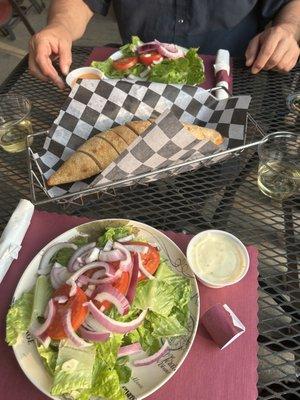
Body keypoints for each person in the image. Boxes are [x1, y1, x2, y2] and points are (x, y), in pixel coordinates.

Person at [29, 0, 300, 89]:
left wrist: (288, 29)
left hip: (226, 87)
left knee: (202, 185)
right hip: (136, 84)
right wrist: (59, 27)